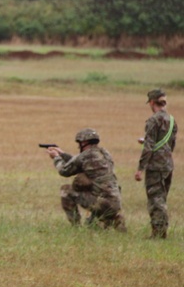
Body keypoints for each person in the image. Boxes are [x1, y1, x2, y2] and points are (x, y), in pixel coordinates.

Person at [46, 128, 126, 231]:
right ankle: (113, 218)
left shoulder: (86, 155)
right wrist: (63, 154)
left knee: (66, 190)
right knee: (92, 226)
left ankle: (76, 227)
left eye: (79, 142)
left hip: (102, 203)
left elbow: (64, 171)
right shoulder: (105, 153)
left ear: (84, 142)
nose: (78, 145)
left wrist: (56, 158)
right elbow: (80, 162)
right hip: (115, 202)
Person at [134, 89, 176, 239]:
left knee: (155, 200)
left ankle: (158, 234)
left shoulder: (153, 120)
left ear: (152, 102)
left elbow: (149, 146)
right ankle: (162, 231)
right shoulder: (171, 120)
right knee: (162, 198)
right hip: (168, 164)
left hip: (155, 166)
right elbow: (171, 143)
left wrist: (140, 168)